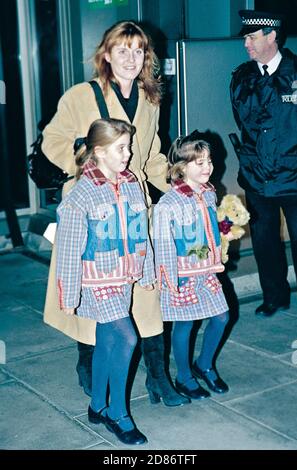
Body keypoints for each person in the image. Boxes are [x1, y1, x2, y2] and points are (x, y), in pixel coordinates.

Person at [42, 20, 187, 406]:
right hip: (92, 206)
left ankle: (158, 377)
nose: (131, 57)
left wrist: (183, 188)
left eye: (139, 50)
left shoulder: (151, 98)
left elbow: (153, 156)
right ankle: (87, 364)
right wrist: (88, 161)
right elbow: (52, 142)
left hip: (135, 207)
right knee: (92, 294)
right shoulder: (80, 95)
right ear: (106, 54)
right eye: (122, 49)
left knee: (147, 292)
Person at [56, 118, 153, 445]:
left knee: (108, 340)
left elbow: (142, 230)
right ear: (99, 152)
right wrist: (69, 294)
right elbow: (68, 250)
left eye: (128, 147)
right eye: (121, 148)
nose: (128, 154)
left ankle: (97, 404)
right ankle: (117, 413)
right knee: (127, 339)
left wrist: (148, 269)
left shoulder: (130, 183)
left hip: (123, 277)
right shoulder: (81, 194)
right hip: (96, 281)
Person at [230, 10, 297, 317]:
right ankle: (275, 296)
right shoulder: (243, 77)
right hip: (257, 176)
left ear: (272, 36)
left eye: (252, 37)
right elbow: (245, 120)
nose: (246, 43)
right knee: (264, 241)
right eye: (246, 37)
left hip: (296, 176)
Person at [153, 132, 229, 399]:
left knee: (221, 316)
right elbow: (163, 243)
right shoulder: (169, 203)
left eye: (209, 161)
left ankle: (204, 364)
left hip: (206, 270)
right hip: (181, 274)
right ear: (182, 168)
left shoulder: (209, 193)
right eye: (199, 163)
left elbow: (210, 229)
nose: (207, 167)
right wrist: (170, 279)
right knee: (185, 325)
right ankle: (183, 376)